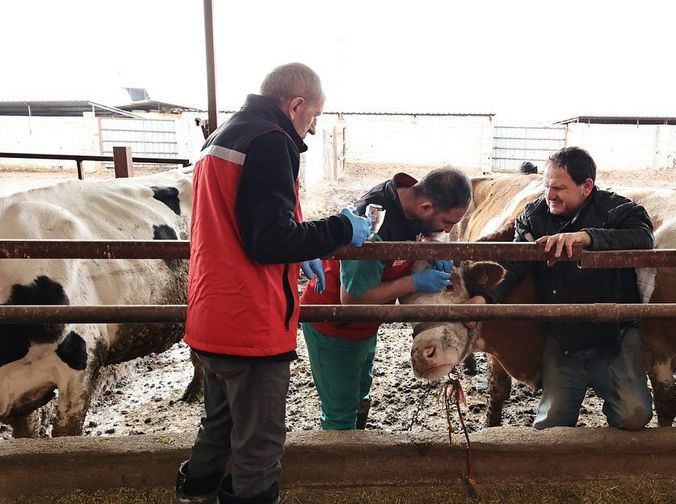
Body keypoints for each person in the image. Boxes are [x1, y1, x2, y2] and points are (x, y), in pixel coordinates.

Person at [174, 63, 372, 504]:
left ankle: (194, 496)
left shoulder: (222, 138)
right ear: (296, 104)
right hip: (251, 325)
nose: (312, 129)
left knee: (218, 427)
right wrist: (340, 228)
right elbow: (268, 238)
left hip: (212, 316)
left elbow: (240, 225)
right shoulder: (270, 141)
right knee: (259, 447)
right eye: (314, 117)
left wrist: (301, 248)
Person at [470, 146, 654, 431]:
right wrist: (486, 297)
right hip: (564, 335)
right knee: (550, 424)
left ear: (586, 186)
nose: (550, 195)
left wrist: (586, 238)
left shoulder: (618, 209)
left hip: (614, 334)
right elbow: (514, 263)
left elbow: (642, 237)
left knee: (635, 416)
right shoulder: (533, 217)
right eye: (546, 186)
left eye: (558, 188)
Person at [300, 167, 472, 430]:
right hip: (333, 325)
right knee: (340, 410)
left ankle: (356, 441)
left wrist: (433, 241)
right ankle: (342, 464)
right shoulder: (374, 226)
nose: (447, 229)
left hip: (367, 325)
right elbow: (353, 301)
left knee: (360, 394)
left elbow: (428, 229)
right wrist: (413, 282)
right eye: (446, 223)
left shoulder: (411, 199)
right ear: (426, 207)